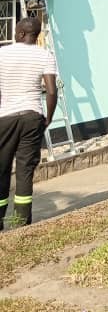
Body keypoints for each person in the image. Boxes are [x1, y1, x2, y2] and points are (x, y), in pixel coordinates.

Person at [0, 17, 57, 229]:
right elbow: (51, 90)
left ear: (22, 34)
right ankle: (20, 222)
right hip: (33, 116)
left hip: (5, 117)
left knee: (2, 168)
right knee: (25, 170)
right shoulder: (45, 55)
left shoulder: (3, 53)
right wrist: (48, 117)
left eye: (16, 31)